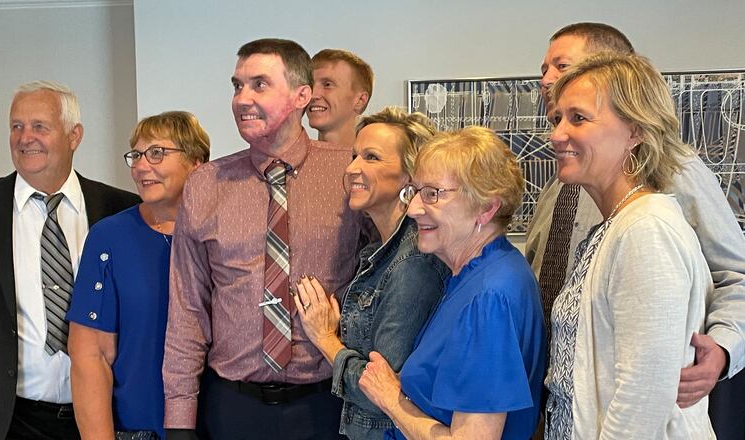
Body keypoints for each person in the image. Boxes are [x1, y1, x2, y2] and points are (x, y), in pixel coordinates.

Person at [525, 22, 745, 438]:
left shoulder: (654, 212)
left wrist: (723, 346)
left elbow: (641, 396)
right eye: (545, 68)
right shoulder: (563, 182)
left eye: (562, 66)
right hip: (562, 404)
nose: (547, 79)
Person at [162, 38, 363, 440]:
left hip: (329, 406)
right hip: (232, 410)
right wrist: (179, 420)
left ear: (302, 95)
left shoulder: (349, 173)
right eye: (237, 86)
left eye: (259, 84)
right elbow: (187, 309)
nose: (242, 99)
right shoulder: (206, 184)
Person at [0, 81, 139, 439]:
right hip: (3, 418)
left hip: (102, 417)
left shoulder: (123, 210)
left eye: (40, 126)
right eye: (16, 126)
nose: (25, 138)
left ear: (74, 136)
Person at [359, 126, 547, 439]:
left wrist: (390, 398)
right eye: (416, 192)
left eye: (433, 194)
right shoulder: (475, 273)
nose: (415, 208)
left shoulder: (489, 297)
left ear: (486, 208)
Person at [294, 106, 449, 439]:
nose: (352, 169)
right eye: (354, 156)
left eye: (372, 157)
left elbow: (381, 393)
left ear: (411, 175)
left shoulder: (412, 263)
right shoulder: (381, 250)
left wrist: (324, 338)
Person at [67, 111, 210, 439]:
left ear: (196, 163)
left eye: (157, 153)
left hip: (222, 426)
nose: (141, 166)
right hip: (138, 430)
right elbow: (90, 356)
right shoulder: (109, 237)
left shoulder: (225, 236)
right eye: (136, 155)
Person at [307, 49, 374, 148]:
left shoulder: (377, 162)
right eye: (310, 84)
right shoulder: (286, 161)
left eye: (327, 84)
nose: (312, 95)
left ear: (360, 100)